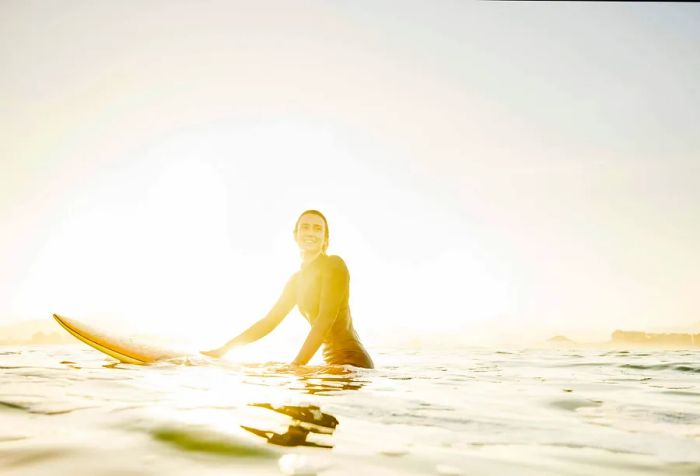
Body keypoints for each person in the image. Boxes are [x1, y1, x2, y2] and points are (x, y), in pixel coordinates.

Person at [201, 210, 374, 369]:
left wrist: (297, 364)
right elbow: (268, 323)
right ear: (296, 235)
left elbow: (325, 319)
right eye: (305, 227)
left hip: (352, 363)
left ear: (325, 239)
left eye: (317, 229)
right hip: (332, 364)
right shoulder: (296, 281)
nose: (310, 233)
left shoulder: (334, 265)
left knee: (281, 386)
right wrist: (223, 350)